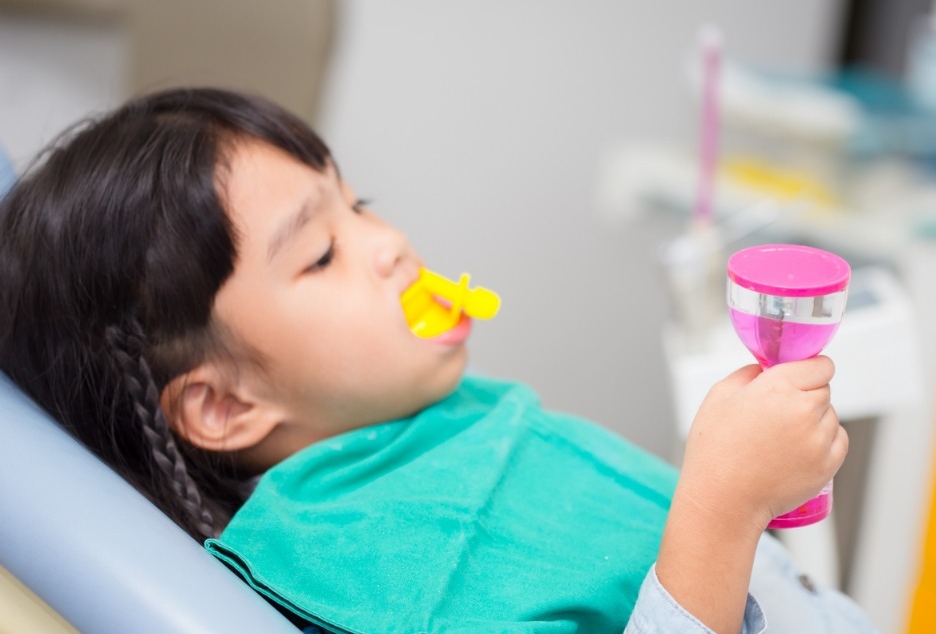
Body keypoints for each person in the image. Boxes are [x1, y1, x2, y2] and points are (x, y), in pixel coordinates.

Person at [0, 88, 876, 634]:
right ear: (225, 407)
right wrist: (721, 508)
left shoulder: (410, 429)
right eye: (320, 254)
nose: (389, 245)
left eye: (360, 205)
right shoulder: (387, 578)